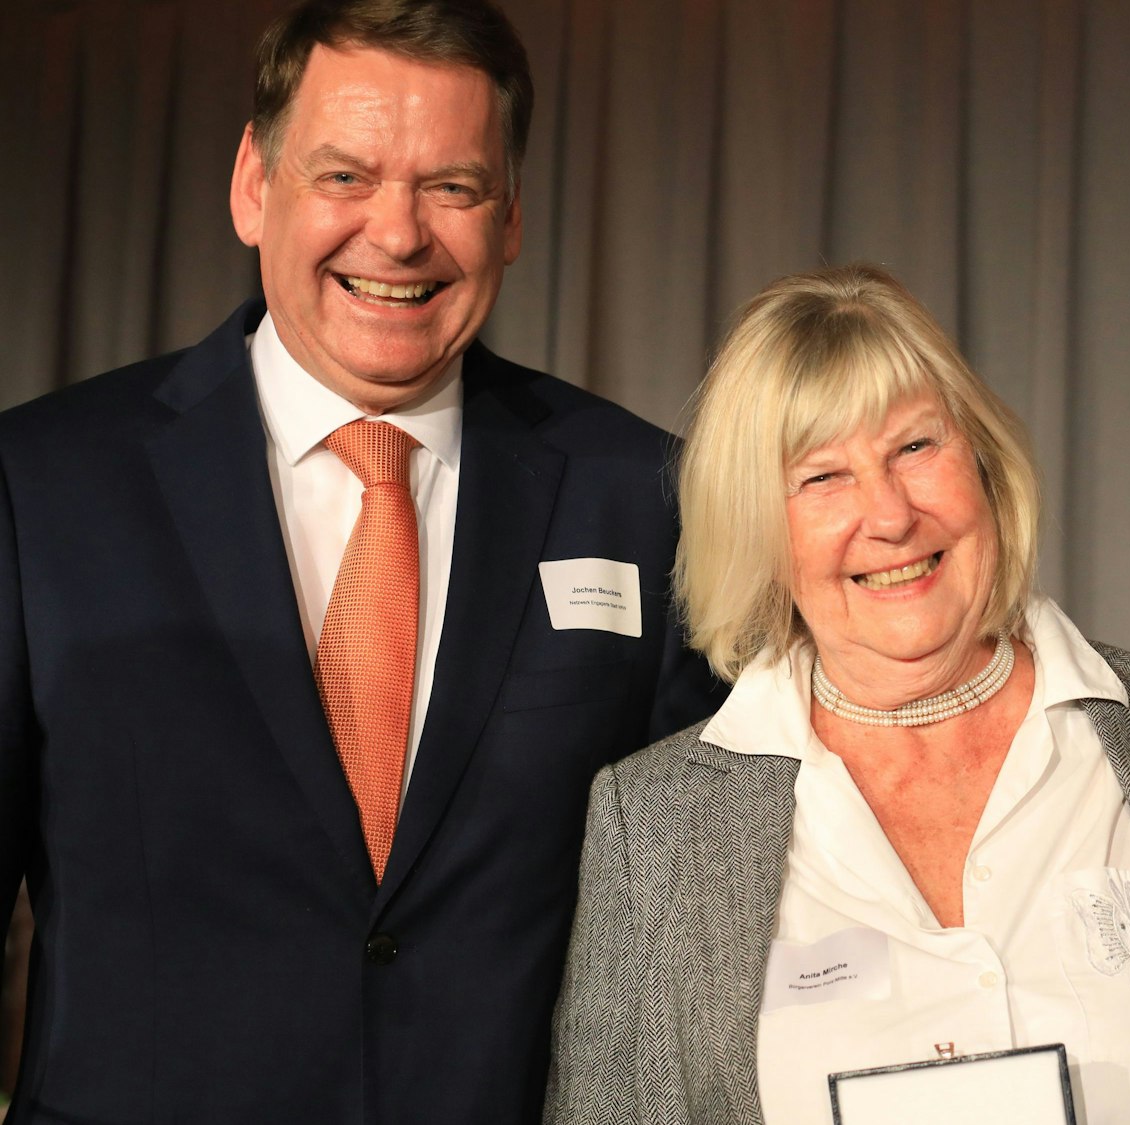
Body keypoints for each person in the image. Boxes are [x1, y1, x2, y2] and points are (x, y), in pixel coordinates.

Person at [0, 1, 724, 1121]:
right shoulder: (42, 484)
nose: (397, 235)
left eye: (453, 187)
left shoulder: (640, 493)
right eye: (345, 176)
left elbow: (705, 911)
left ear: (512, 216)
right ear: (253, 185)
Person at [542, 264, 1130, 1125]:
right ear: (759, 526)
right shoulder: (657, 824)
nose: (891, 515)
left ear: (981, 459)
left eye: (914, 446)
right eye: (821, 476)